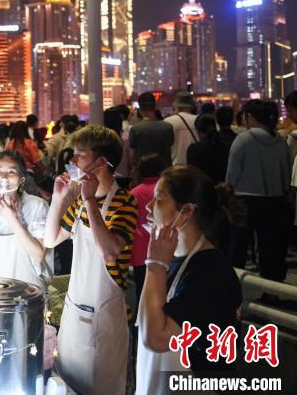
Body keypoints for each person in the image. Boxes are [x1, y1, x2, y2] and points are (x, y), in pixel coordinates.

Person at [43, 125, 137, 395]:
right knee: (68, 381)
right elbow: (50, 240)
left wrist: (90, 202)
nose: (72, 162)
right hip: (75, 309)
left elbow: (110, 251)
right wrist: (59, 199)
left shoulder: (124, 202)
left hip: (106, 316)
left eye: (80, 155)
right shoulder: (81, 202)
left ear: (101, 162)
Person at [136, 166, 242, 393]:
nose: (148, 206)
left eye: (159, 199)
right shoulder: (172, 259)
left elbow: (156, 338)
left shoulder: (211, 272)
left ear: (186, 211)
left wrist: (154, 265)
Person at [226, 100, 290, 282]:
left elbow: (232, 173)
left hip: (244, 200)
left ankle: (234, 287)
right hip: (275, 199)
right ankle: (272, 289)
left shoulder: (244, 139)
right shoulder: (279, 140)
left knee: (238, 246)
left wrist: (228, 192)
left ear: (249, 117)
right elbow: (286, 171)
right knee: (270, 245)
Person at [0, 150, 53, 289]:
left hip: (32, 291)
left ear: (21, 180)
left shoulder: (37, 206)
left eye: (11, 172)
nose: (4, 178)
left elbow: (38, 255)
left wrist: (13, 219)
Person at [129, 153, 168, 312]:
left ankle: (140, 331)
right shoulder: (165, 191)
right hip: (165, 249)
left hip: (140, 253)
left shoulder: (133, 193)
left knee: (142, 295)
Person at [129, 92, 174, 167]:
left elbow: (132, 157)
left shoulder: (135, 129)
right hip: (164, 172)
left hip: (144, 172)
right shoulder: (168, 127)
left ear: (140, 110)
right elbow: (171, 144)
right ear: (155, 108)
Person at [186, 113, 230, 185]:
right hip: (222, 189)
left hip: (202, 189)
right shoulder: (226, 146)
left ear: (198, 130)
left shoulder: (194, 149)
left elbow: (191, 174)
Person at [164, 91, 198, 165]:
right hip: (195, 166)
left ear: (176, 106)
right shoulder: (198, 120)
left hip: (175, 165)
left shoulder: (168, 121)